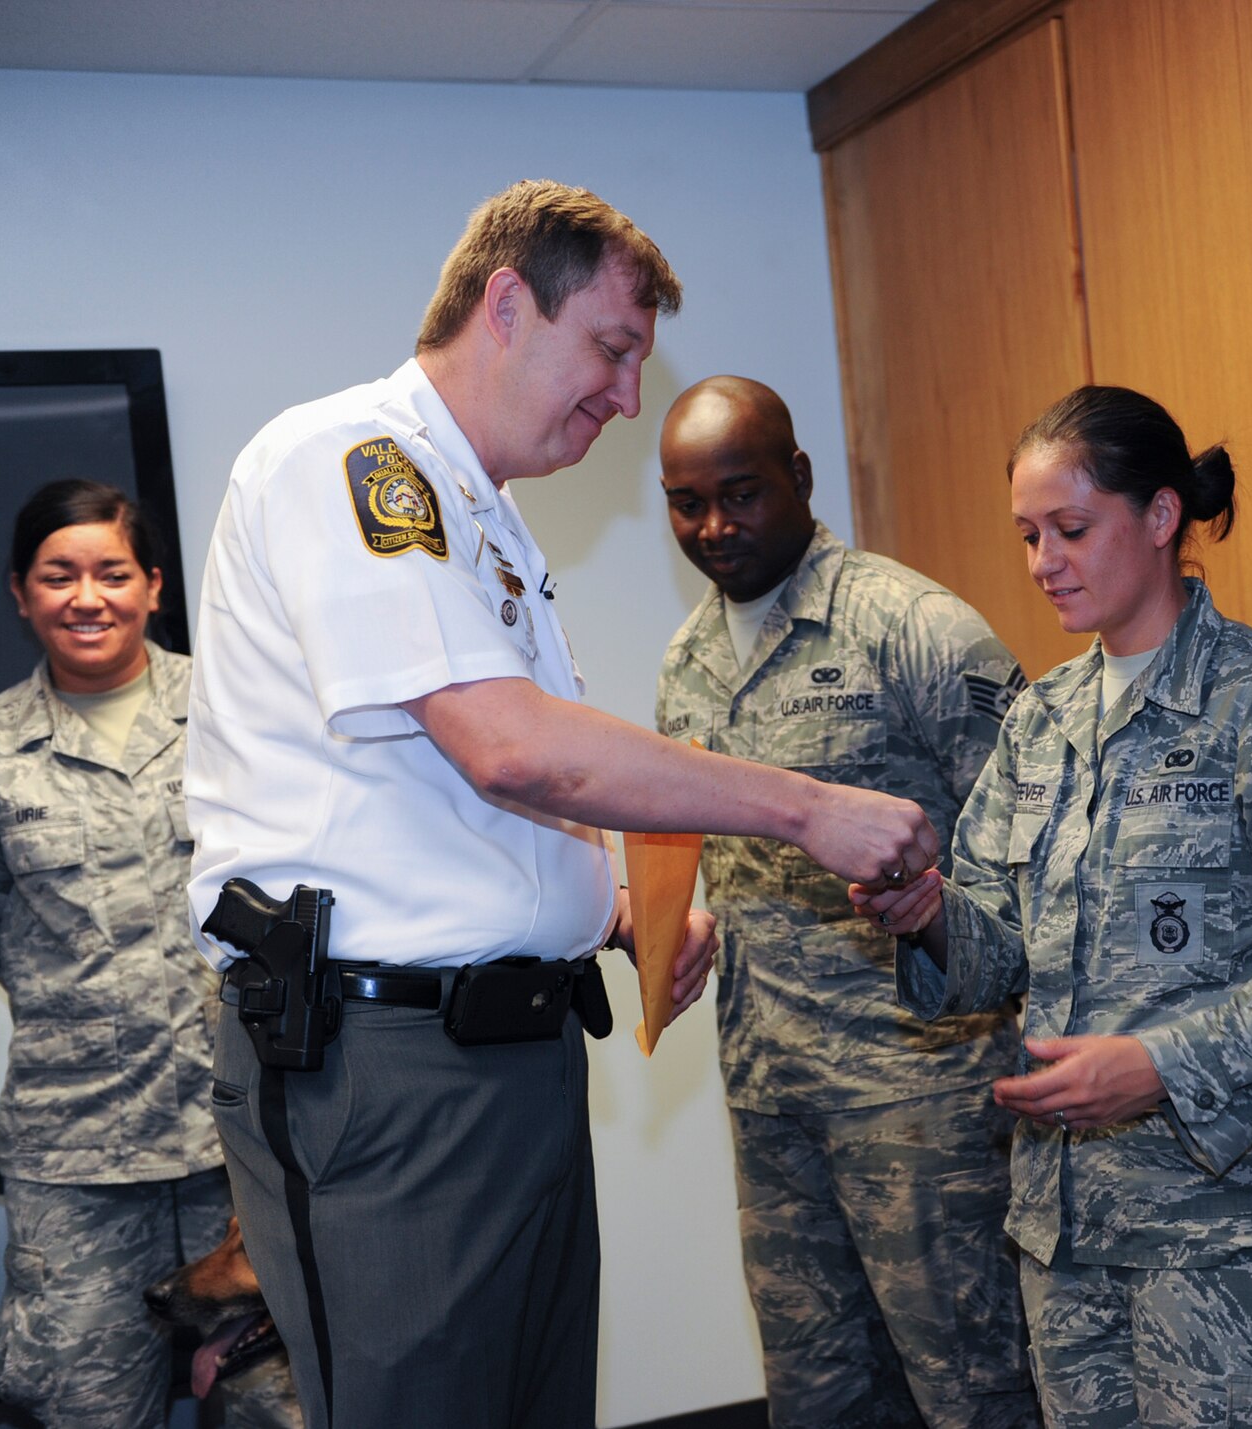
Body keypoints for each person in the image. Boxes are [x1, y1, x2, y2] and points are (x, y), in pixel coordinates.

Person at [183, 181, 939, 1429]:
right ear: (504, 305)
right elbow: (506, 748)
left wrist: (612, 907)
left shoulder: (485, 519)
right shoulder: (359, 463)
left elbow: (482, 791)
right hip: (388, 1068)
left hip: (508, 1056)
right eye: (611, 348)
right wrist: (802, 809)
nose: (627, 398)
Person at [858, 385, 1252, 1428]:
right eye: (1025, 535)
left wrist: (1162, 1064)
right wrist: (926, 911)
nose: (1041, 561)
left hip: (1232, 1242)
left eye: (1070, 528)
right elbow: (994, 945)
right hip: (1066, 1243)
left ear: (1160, 518)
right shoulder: (1040, 721)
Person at [654, 375, 1038, 1427]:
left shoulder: (910, 627)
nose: (715, 525)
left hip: (920, 1098)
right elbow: (704, 847)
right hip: (770, 1088)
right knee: (816, 1396)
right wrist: (687, 917)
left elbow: (1039, 849)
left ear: (800, 478)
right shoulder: (686, 660)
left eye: (741, 492)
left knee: (972, 1391)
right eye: (687, 502)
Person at [0, 479, 300, 1429]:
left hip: (244, 1132)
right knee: (85, 1402)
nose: (87, 596)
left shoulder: (234, 713)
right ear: (21, 593)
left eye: (112, 571)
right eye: (58, 575)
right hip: (78, 1154)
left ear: (152, 585)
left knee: (284, 1402)